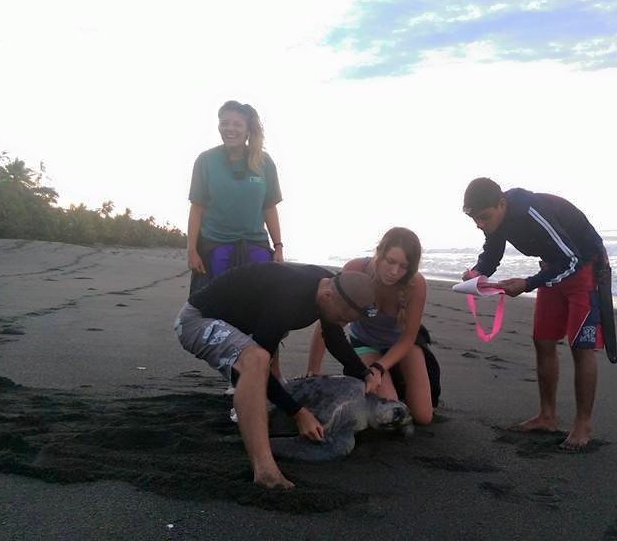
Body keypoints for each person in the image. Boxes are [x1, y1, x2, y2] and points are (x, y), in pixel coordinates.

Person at [173, 263, 383, 489]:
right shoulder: (290, 295)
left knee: (264, 364)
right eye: (342, 318)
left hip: (243, 326)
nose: (342, 324)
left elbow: (333, 336)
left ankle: (253, 407)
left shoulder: (328, 284)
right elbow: (257, 369)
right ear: (327, 295)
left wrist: (364, 373)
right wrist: (299, 413)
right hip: (196, 321)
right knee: (257, 361)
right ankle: (264, 470)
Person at [461, 177, 616, 450]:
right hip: (554, 267)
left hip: (586, 266)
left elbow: (572, 259)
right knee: (542, 340)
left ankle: (583, 424)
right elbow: (492, 252)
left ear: (501, 203)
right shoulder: (496, 219)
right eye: (475, 219)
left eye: (484, 217)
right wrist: (477, 272)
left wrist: (528, 283)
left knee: (580, 346)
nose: (480, 224)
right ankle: (547, 417)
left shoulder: (529, 210)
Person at [305, 227, 440, 424]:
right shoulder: (356, 270)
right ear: (379, 252)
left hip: (401, 344)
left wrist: (379, 368)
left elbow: (408, 337)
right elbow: (329, 321)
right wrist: (313, 369)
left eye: (403, 266)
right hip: (365, 342)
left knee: (423, 416)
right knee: (388, 407)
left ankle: (394, 376)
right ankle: (390, 384)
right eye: (390, 261)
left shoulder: (415, 284)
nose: (394, 272)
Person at [187, 100, 284, 294]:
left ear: (248, 129)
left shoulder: (264, 162)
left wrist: (278, 246)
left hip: (255, 243)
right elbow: (197, 208)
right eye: (224, 123)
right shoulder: (205, 161)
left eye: (237, 124)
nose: (230, 129)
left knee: (259, 299)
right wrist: (192, 250)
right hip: (216, 243)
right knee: (219, 298)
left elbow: (269, 207)